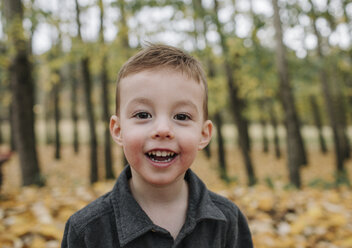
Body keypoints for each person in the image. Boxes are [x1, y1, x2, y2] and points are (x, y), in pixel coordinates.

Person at [62, 44, 253, 248]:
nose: (162, 129)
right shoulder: (86, 230)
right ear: (118, 130)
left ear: (203, 134)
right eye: (143, 115)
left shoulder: (228, 221)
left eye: (181, 116)